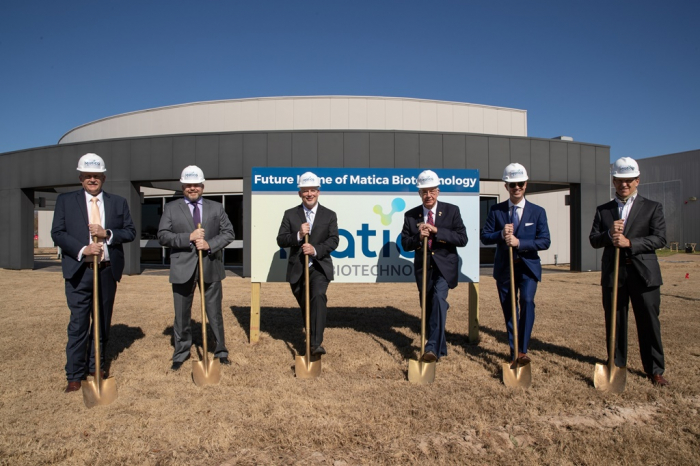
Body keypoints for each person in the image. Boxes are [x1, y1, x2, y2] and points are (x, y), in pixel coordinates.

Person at [51, 153, 136, 393]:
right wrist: (83, 249)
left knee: (102, 323)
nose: (92, 180)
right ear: (80, 178)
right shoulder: (66, 201)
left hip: (106, 272)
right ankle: (74, 374)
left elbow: (130, 232)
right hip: (80, 271)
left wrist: (108, 233)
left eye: (96, 176)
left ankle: (95, 366)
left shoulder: (117, 202)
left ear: (103, 178)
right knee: (78, 324)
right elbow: (57, 233)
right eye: (88, 176)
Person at [589, 157, 668, 386]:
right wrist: (609, 236)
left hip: (644, 275)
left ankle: (654, 369)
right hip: (615, 275)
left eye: (629, 180)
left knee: (649, 323)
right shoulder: (604, 210)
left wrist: (630, 243)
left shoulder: (652, 207)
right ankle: (616, 363)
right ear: (614, 181)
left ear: (637, 181)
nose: (624, 184)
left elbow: (660, 238)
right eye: (620, 180)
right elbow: (594, 240)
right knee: (615, 321)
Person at [158, 166, 235, 371]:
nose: (193, 188)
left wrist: (210, 244)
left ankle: (220, 350)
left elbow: (229, 233)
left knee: (214, 312)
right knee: (182, 313)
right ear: (183, 186)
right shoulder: (171, 208)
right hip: (182, 269)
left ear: (202, 186)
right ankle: (181, 352)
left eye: (196, 185)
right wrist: (188, 238)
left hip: (210, 266)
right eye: (188, 185)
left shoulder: (216, 207)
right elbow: (163, 236)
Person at [480, 163, 550, 364]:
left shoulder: (537, 212)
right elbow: (485, 236)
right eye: (512, 184)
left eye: (520, 184)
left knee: (527, 301)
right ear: (506, 187)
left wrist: (520, 243)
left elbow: (544, 240)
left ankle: (522, 349)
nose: (516, 188)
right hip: (505, 268)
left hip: (527, 267)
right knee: (510, 309)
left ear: (526, 184)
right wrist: (501, 234)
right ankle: (515, 351)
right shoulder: (497, 210)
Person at [401, 170, 467, 362]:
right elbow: (405, 244)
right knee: (429, 306)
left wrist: (437, 231)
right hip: (424, 268)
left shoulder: (451, 211)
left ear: (437, 191)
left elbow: (462, 238)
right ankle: (441, 347)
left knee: (439, 298)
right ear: (419, 193)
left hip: (445, 266)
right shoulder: (411, 216)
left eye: (432, 191)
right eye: (424, 191)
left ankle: (430, 348)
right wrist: (418, 237)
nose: (428, 195)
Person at [277, 172, 339, 356]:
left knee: (318, 297)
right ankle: (312, 336)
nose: (309, 194)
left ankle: (315, 343)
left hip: (319, 267)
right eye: (305, 190)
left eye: (313, 190)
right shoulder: (290, 214)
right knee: (306, 306)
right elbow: (281, 239)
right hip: (298, 269)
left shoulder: (329, 215)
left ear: (319, 192)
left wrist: (315, 250)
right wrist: (297, 235)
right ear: (300, 193)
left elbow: (334, 240)